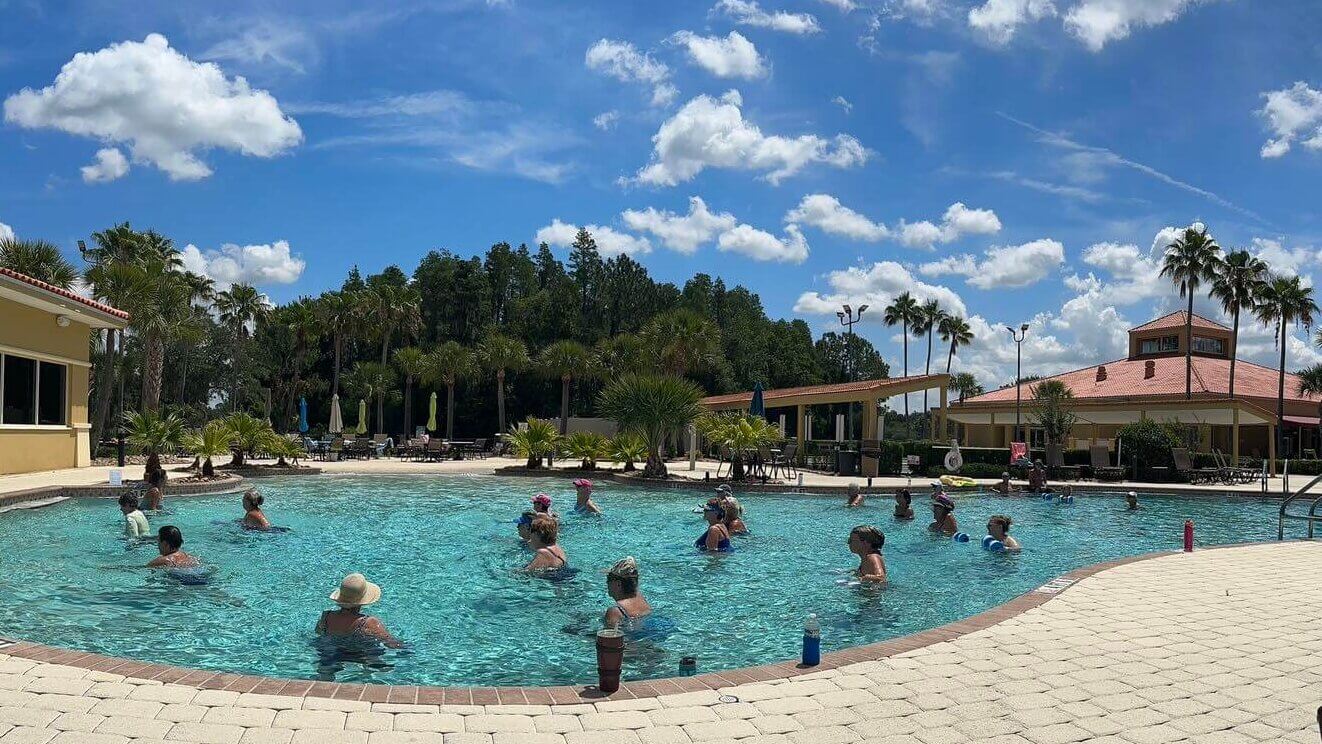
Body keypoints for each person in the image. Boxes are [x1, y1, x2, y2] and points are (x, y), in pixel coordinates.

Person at [316, 573, 402, 648]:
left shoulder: (326, 617)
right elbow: (391, 644)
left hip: (327, 655)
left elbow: (319, 633)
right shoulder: (367, 622)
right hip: (357, 657)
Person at [603, 556, 652, 630]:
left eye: (608, 579)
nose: (607, 583)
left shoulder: (615, 612)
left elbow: (610, 636)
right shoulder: (641, 598)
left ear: (618, 584)